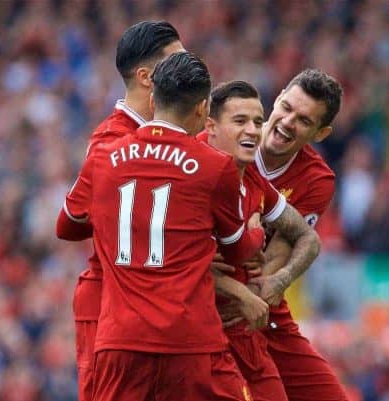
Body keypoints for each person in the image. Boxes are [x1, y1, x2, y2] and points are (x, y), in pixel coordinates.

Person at [59, 52, 264, 400]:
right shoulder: (215, 167)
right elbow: (239, 250)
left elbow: (68, 225)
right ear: (202, 109)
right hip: (189, 341)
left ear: (153, 99)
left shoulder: (103, 156)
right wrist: (257, 228)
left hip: (120, 340)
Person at [55, 20, 183, 401]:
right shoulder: (113, 140)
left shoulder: (172, 133)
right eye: (177, 60)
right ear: (146, 77)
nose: (189, 66)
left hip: (153, 309)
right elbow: (68, 222)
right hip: (110, 307)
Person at [200, 80, 321, 401]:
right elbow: (171, 259)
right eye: (240, 121)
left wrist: (275, 281)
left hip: (246, 327)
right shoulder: (190, 171)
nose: (254, 130)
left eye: (257, 121)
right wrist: (240, 290)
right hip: (198, 330)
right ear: (210, 127)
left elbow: (308, 238)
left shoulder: (251, 175)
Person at [251, 69, 349, 401]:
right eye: (287, 107)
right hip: (199, 289)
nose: (288, 122)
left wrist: (247, 298)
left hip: (257, 294)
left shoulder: (316, 179)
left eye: (304, 120)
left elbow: (279, 255)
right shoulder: (227, 139)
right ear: (276, 98)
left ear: (321, 133)